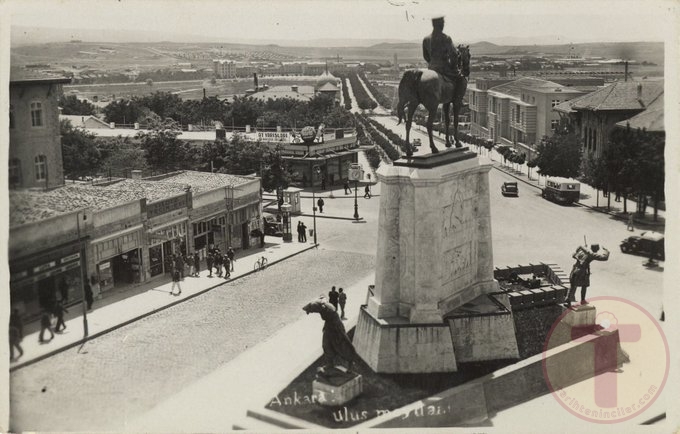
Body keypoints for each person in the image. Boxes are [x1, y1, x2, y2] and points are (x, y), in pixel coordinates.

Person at [422, 16, 459, 82]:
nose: (443, 25)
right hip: (444, 69)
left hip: (431, 68)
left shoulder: (426, 39)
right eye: (443, 23)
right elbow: (453, 55)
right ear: (440, 24)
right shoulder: (446, 38)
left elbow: (425, 56)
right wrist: (453, 67)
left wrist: (432, 63)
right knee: (461, 80)